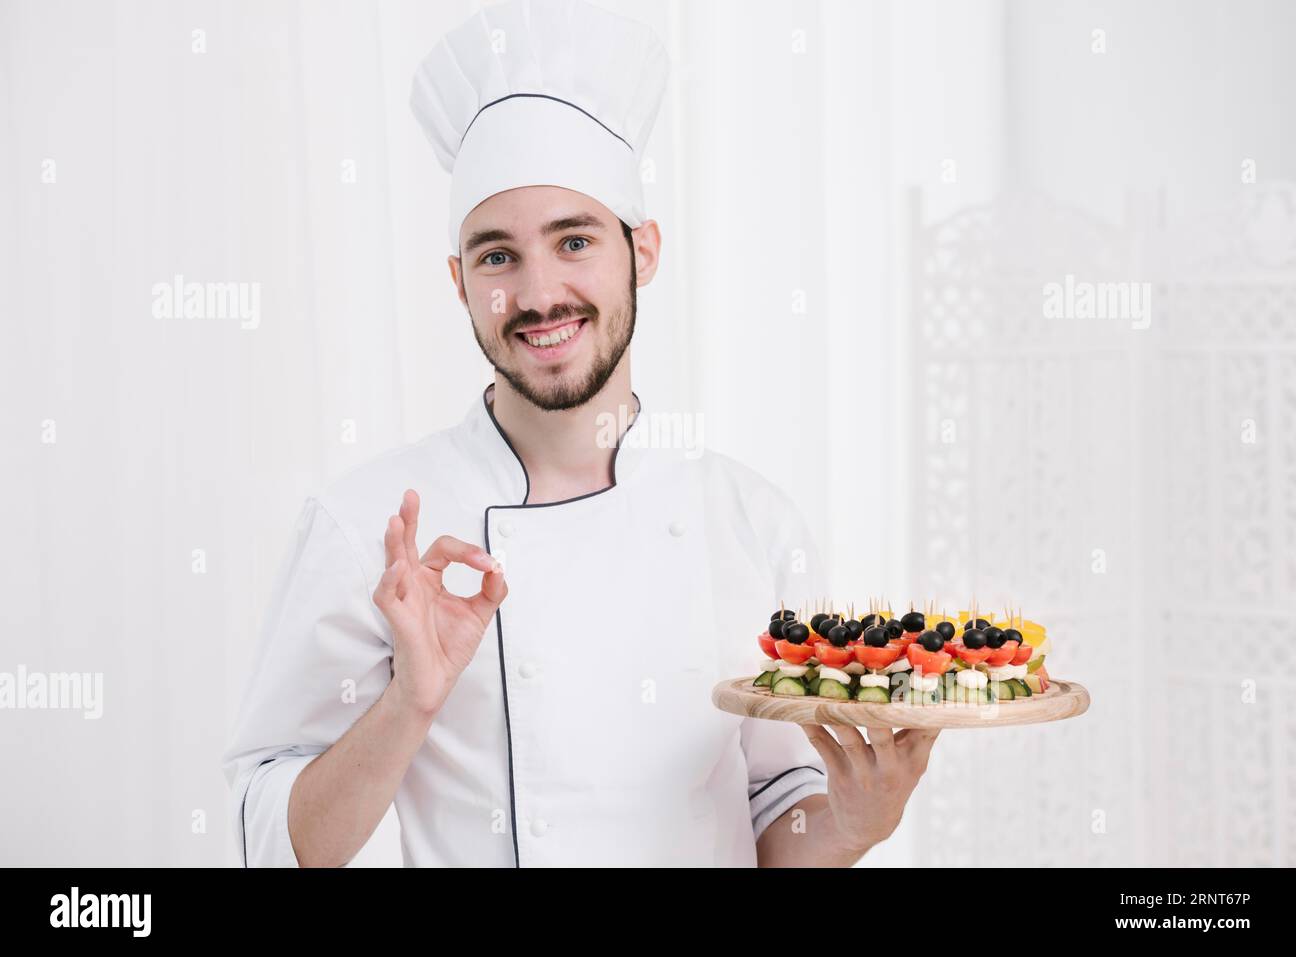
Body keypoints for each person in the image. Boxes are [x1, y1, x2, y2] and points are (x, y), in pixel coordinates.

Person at [222, 0, 939, 868]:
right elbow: (275, 846)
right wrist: (407, 703)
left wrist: (856, 823)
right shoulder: (370, 527)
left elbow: (775, 819)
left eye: (573, 240)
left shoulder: (747, 521)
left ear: (643, 251)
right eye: (497, 255)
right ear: (458, 280)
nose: (537, 294)